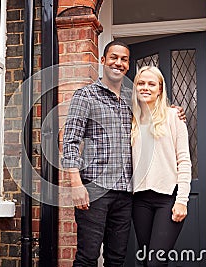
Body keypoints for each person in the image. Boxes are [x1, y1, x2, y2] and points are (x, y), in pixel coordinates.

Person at [62, 41, 185, 266]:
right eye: (113, 57)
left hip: (126, 193)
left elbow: (155, 108)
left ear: (128, 65)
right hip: (94, 190)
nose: (118, 63)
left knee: (116, 259)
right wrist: (75, 182)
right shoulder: (86, 96)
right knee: (87, 256)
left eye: (124, 59)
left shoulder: (132, 100)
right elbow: (70, 140)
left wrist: (173, 111)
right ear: (103, 60)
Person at [131, 66, 191, 267]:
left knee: (156, 262)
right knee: (145, 261)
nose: (145, 87)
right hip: (139, 200)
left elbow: (183, 160)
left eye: (151, 83)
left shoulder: (173, 117)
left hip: (168, 199)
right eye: (141, 83)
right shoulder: (131, 120)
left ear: (160, 88)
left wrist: (182, 200)